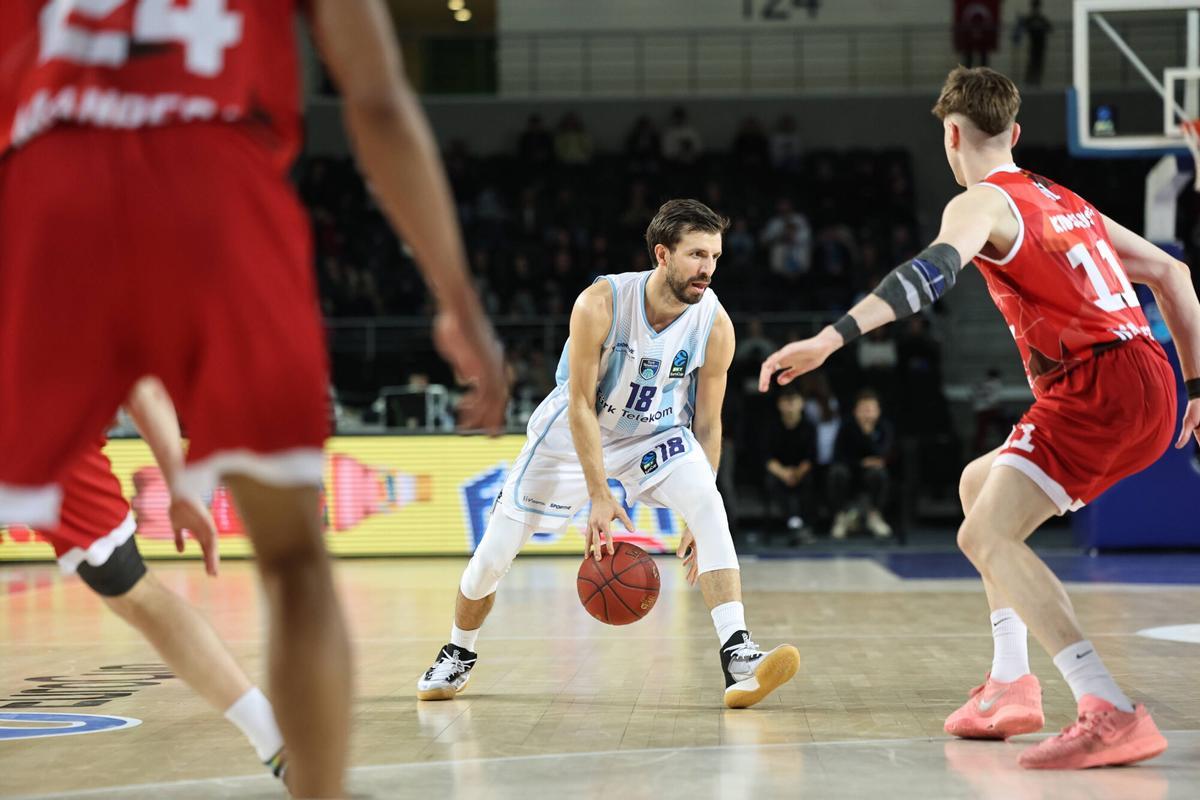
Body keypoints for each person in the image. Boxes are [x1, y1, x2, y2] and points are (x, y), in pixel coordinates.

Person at [0, 3, 508, 796]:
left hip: (44, 196)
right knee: (295, 565)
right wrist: (458, 298)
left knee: (134, 583)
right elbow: (375, 100)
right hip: (217, 192)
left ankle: (280, 746)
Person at [760, 66, 1200, 769]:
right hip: (1152, 378)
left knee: (986, 536)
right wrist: (1198, 386)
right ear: (1016, 132)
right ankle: (1010, 684)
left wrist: (829, 338)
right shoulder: (1066, 200)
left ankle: (1106, 707)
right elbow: (1174, 277)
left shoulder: (983, 203)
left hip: (1095, 385)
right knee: (977, 487)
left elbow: (928, 275)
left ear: (952, 135)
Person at [417, 200, 800, 709]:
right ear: (662, 255)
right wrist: (598, 494)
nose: (708, 268)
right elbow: (578, 404)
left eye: (715, 256)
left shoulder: (716, 324)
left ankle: (738, 656)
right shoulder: (600, 303)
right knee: (492, 558)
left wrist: (696, 506)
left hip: (653, 435)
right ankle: (458, 651)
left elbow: (708, 423)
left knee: (710, 505)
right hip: (574, 437)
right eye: (696, 255)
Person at [33, 378, 288, 783]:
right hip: (38, 421)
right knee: (134, 591)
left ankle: (277, 741)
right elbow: (141, 388)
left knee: (128, 586)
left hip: (37, 422)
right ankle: (277, 742)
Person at [828, 390, 893, 539]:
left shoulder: (884, 427)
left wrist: (868, 434)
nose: (867, 414)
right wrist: (860, 463)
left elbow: (884, 453)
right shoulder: (846, 427)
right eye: (864, 409)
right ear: (855, 411)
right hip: (849, 470)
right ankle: (841, 517)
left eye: (871, 409)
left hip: (871, 474)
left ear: (878, 411)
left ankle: (874, 516)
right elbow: (838, 455)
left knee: (879, 473)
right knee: (837, 472)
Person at [763, 387, 817, 539]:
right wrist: (784, 473)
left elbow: (811, 457)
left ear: (802, 403)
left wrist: (797, 473)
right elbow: (766, 457)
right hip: (779, 471)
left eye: (794, 401)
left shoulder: (809, 427)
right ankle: (792, 520)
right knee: (771, 482)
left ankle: (806, 522)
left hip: (801, 471)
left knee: (809, 481)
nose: (790, 406)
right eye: (786, 402)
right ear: (779, 404)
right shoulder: (771, 426)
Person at [1014, 0, 1053, 87]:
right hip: (1033, 46)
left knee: (1038, 65)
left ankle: (1037, 82)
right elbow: (1021, 26)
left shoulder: (1041, 19)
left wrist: (1040, 27)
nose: (1035, 9)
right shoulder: (1030, 19)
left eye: (1036, 7)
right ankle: (1029, 82)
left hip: (1040, 46)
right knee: (1031, 64)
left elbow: (1050, 28)